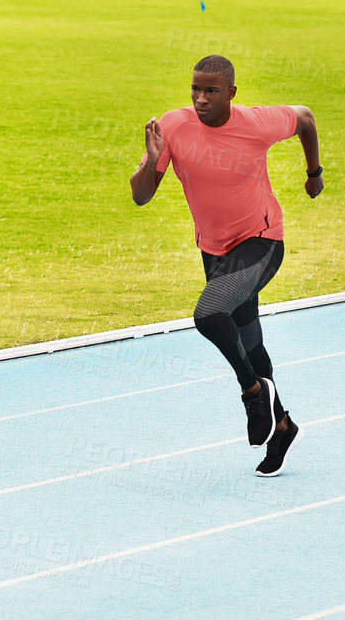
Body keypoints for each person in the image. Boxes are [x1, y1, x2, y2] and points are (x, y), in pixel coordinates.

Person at [131, 54, 322, 476]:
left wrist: (314, 173)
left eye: (211, 91)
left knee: (209, 313)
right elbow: (141, 196)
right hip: (215, 252)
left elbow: (305, 118)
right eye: (195, 89)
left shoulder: (256, 123)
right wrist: (151, 159)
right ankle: (283, 427)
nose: (201, 98)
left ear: (232, 94)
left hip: (262, 241)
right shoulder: (174, 127)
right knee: (251, 344)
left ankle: (253, 393)